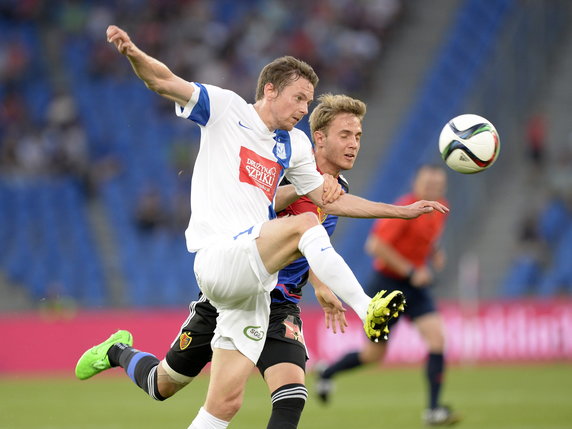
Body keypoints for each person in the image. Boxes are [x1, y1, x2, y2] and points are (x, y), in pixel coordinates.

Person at [85, 25, 447, 429]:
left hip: (256, 289)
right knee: (306, 224)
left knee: (215, 402)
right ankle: (367, 308)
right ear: (270, 90)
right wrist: (134, 51)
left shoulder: (291, 146)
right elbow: (163, 80)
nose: (303, 111)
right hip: (220, 258)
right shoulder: (225, 109)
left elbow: (334, 200)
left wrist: (403, 211)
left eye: (308, 103)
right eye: (298, 99)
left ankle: (118, 352)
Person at [76, 93, 370, 429]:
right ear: (319, 138)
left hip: (281, 304)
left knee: (291, 396)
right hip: (235, 291)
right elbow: (267, 210)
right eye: (346, 136)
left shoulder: (337, 189)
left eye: (358, 137)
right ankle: (117, 351)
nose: (354, 145)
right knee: (163, 384)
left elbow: (310, 243)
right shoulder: (287, 170)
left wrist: (320, 285)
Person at [315, 164, 461, 426]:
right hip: (388, 285)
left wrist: (434, 252)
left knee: (437, 339)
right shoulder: (404, 208)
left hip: (414, 286)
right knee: (374, 356)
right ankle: (327, 372)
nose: (433, 190)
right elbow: (376, 246)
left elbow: (427, 238)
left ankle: (434, 410)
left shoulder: (439, 209)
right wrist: (410, 270)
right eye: (428, 185)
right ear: (416, 184)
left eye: (437, 186)